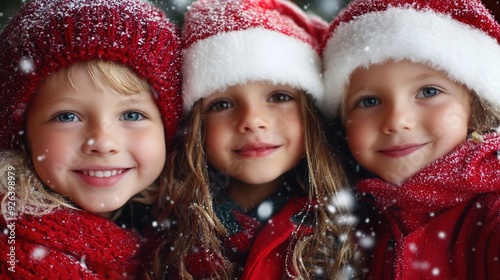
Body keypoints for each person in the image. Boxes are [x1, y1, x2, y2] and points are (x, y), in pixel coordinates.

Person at [149, 0, 356, 279]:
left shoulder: (352, 220)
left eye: (279, 97)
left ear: (311, 114)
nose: (252, 120)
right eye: (221, 104)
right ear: (196, 125)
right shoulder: (161, 222)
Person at [0, 0, 182, 278]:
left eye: (132, 115)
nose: (102, 142)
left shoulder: (173, 236)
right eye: (67, 117)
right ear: (23, 134)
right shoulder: (13, 256)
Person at [321, 0, 500, 279]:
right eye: (368, 101)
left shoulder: (491, 212)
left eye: (428, 92)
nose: (396, 121)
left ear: (475, 106)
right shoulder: (344, 218)